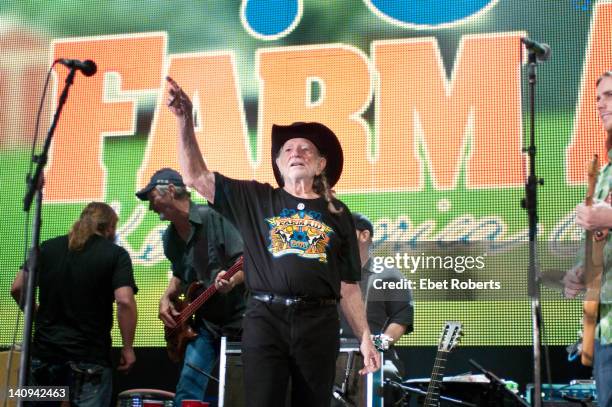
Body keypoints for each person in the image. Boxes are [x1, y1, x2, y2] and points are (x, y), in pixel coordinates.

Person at [165, 76, 380, 406]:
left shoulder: (338, 214)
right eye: (288, 150)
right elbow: (195, 177)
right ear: (279, 165)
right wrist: (184, 121)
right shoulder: (255, 198)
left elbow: (349, 286)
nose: (296, 152)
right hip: (266, 319)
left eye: (306, 149)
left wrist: (365, 337)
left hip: (318, 323)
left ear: (321, 164)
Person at [135, 167, 245, 405]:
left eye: (152, 198)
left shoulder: (214, 217)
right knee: (187, 392)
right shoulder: (168, 238)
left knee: (244, 393)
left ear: (171, 190)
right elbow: (179, 274)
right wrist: (166, 297)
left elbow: (246, 262)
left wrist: (232, 280)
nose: (151, 207)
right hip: (204, 324)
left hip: (242, 321)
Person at [11, 202, 137, 407]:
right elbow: (124, 300)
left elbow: (17, 287)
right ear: (110, 227)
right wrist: (128, 348)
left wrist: (35, 314)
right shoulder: (115, 254)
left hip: (44, 359)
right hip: (90, 361)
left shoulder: (47, 248)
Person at [564, 70, 612, 407]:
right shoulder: (605, 172)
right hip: (608, 329)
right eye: (597, 98)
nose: (601, 104)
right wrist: (582, 270)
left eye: (609, 95)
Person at [337, 213, 413, 406]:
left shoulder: (389, 275)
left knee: (384, 376)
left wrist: (376, 347)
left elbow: (400, 320)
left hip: (376, 356)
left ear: (364, 235)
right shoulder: (328, 275)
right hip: (332, 356)